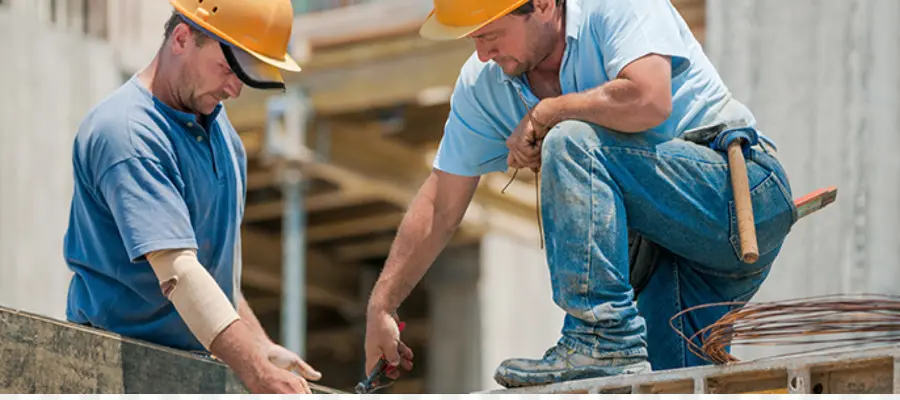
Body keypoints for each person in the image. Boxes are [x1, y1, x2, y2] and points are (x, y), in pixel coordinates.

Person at [363, 0, 798, 388]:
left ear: (544, 4)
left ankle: (602, 339)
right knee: (671, 386)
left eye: (491, 35)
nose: (483, 53)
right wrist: (383, 304)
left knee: (570, 140)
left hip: (737, 195)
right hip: (671, 258)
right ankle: (610, 346)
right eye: (475, 39)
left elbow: (650, 98)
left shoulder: (615, 7)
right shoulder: (484, 84)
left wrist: (550, 110)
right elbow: (440, 203)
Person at [62, 0, 321, 393]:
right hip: (111, 375)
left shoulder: (221, 136)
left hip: (180, 373)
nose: (236, 87)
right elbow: (179, 273)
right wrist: (257, 372)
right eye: (229, 67)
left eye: (247, 71)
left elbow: (207, 272)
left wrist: (258, 345)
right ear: (182, 38)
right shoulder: (129, 133)